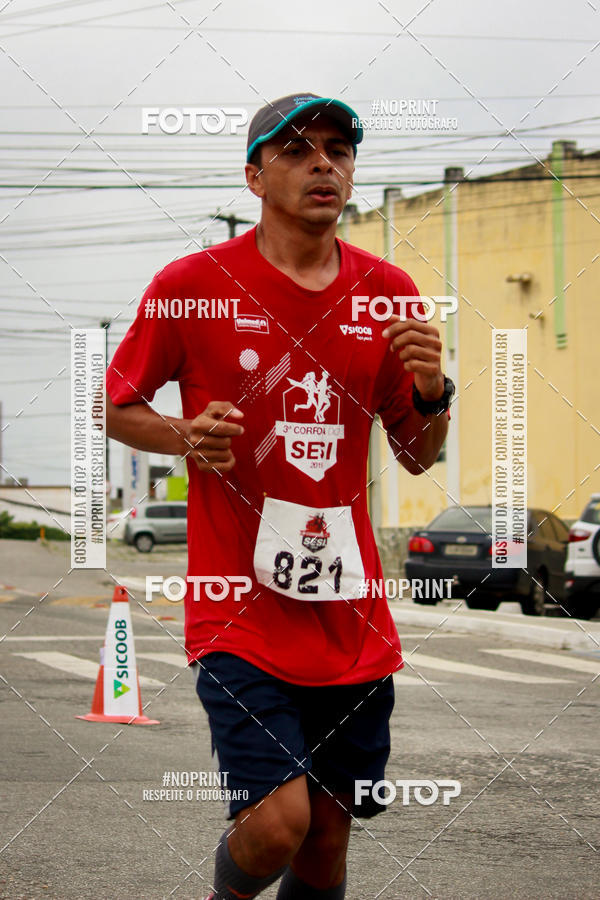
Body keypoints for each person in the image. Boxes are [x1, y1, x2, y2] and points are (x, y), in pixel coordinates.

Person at [106, 92, 453, 900]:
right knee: (277, 825)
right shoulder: (193, 286)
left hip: (351, 617)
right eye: (296, 150)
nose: (323, 162)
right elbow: (116, 404)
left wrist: (433, 390)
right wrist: (184, 435)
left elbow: (414, 455)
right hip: (241, 614)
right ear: (254, 176)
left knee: (328, 839)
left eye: (338, 148)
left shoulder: (389, 292)